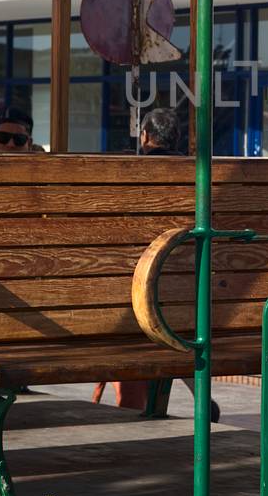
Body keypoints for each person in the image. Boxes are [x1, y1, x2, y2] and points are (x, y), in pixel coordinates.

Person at [93, 104, 221, 422]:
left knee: (137, 315)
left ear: (146, 136)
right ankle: (197, 391)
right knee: (176, 318)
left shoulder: (132, 175)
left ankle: (133, 406)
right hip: (193, 291)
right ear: (176, 140)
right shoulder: (200, 176)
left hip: (140, 293)